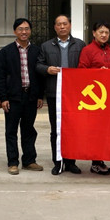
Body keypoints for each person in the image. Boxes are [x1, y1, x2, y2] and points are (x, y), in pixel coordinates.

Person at [36, 14, 86, 176]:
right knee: (56, 129)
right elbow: (38, 65)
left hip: (74, 95)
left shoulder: (80, 44)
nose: (62, 27)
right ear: (55, 27)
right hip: (54, 93)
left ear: (70, 25)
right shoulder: (46, 46)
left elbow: (85, 67)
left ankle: (71, 162)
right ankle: (57, 162)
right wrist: (47, 69)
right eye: (59, 24)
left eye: (65, 24)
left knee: (73, 129)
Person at [0, 18, 44, 175]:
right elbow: (0, 76)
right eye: (20, 29)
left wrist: (39, 95)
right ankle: (13, 162)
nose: (24, 32)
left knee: (29, 130)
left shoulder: (37, 51)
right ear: (15, 31)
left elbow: (40, 75)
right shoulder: (6, 52)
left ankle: (29, 160)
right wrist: (3, 97)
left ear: (30, 31)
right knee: (11, 131)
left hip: (31, 96)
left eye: (27, 29)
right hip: (13, 98)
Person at [77, 21, 110, 175]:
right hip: (94, 98)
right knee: (95, 131)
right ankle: (95, 163)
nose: (104, 35)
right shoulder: (87, 50)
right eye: (101, 32)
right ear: (94, 33)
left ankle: (101, 160)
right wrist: (98, 73)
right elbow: (81, 71)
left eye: (106, 32)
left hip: (108, 96)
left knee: (105, 131)